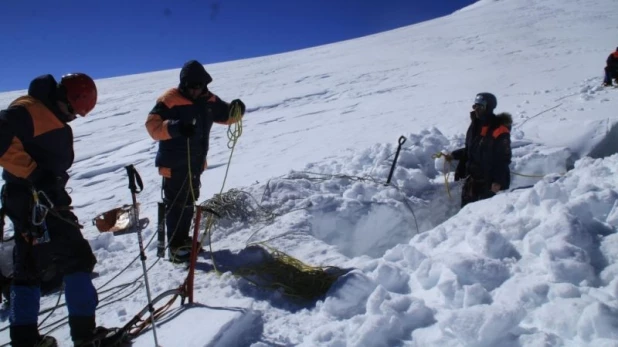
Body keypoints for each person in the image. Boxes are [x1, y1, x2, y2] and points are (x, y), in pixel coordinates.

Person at [0, 73, 114, 346]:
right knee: (77, 259)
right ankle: (85, 335)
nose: (72, 117)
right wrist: (35, 174)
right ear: (63, 97)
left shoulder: (48, 116)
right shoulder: (28, 110)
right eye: (71, 111)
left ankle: (24, 339)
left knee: (27, 267)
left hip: (31, 199)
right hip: (36, 200)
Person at [145, 60, 245, 263]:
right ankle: (175, 247)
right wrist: (176, 127)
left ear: (204, 85)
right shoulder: (169, 99)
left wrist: (238, 109)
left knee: (189, 201)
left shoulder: (208, 100)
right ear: (183, 84)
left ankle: (183, 240)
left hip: (195, 164)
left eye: (198, 86)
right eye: (191, 86)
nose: (195, 91)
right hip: (173, 164)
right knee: (176, 204)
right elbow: (152, 127)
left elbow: (226, 115)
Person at [445, 92, 512, 208]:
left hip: (489, 183)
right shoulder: (475, 125)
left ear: (489, 108)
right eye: (475, 105)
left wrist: (498, 181)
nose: (476, 109)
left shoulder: (499, 130)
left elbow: (503, 158)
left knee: (483, 219)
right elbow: (471, 149)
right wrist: (454, 155)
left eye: (480, 106)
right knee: (465, 214)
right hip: (472, 180)